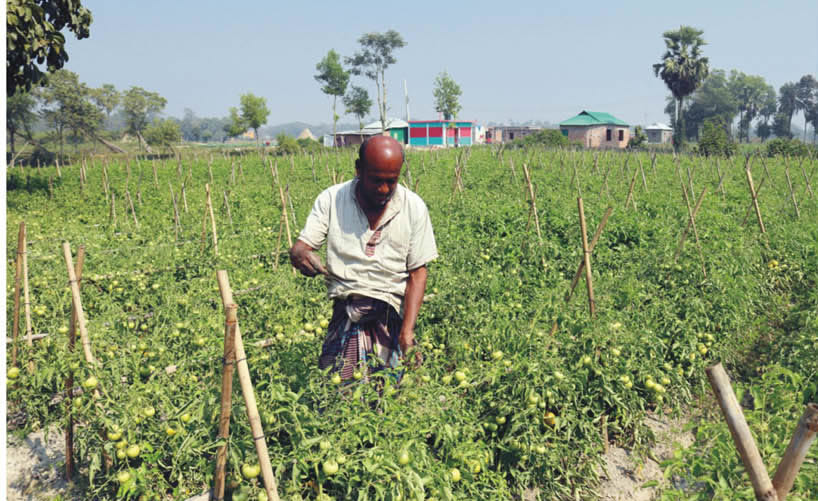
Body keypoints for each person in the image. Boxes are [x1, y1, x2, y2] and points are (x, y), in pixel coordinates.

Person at [289, 136, 438, 383]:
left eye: (391, 181)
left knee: (391, 392)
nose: (383, 189)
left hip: (390, 313)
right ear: (358, 169)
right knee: (338, 391)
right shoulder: (332, 199)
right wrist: (299, 255)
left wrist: (407, 333)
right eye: (376, 180)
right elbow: (302, 248)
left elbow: (417, 273)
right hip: (347, 311)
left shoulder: (413, 207)